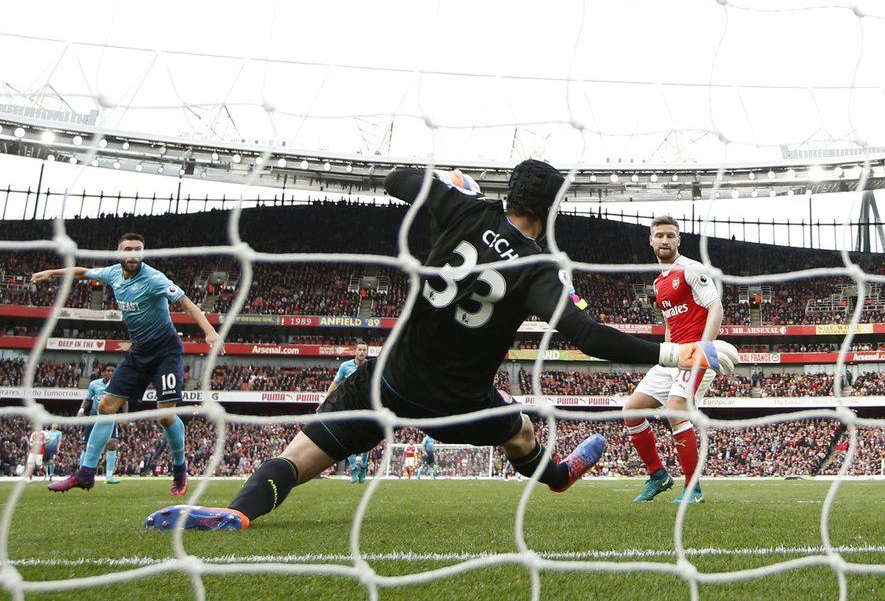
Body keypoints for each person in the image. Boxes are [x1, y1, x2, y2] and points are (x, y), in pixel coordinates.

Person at [144, 160, 737, 531]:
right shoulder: (539, 268)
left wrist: (446, 182)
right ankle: (557, 476)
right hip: (460, 404)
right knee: (522, 432)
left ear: (507, 195)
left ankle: (239, 509)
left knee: (300, 459)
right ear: (550, 210)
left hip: (387, 381)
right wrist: (680, 353)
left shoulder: (461, 208)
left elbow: (395, 180)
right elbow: (588, 337)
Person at [32, 232, 224, 495]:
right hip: (140, 352)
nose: (132, 254)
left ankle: (180, 468)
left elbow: (186, 303)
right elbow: (83, 272)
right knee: (106, 405)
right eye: (127, 249)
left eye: (137, 249)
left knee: (165, 416)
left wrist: (210, 332)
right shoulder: (112, 273)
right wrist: (51, 273)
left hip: (166, 352)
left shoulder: (154, 278)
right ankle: (86, 473)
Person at [623, 215, 724, 504]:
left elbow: (715, 308)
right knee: (631, 410)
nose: (664, 240)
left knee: (675, 408)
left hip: (696, 353)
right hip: (673, 355)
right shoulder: (658, 283)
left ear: (679, 240)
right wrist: (667, 348)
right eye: (659, 235)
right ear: (651, 240)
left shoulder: (692, 270)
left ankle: (694, 488)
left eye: (670, 235)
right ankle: (658, 476)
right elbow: (671, 320)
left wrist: (704, 347)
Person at [322, 342, 371, 482]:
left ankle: (363, 468)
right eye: (359, 350)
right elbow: (336, 382)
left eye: (364, 350)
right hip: (349, 406)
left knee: (367, 439)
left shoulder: (370, 367)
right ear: (355, 351)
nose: (362, 352)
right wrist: (326, 399)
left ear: (366, 352)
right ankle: (354, 469)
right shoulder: (345, 366)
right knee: (347, 437)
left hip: (366, 406)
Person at [79, 363, 127, 484]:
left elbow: (124, 401)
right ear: (103, 372)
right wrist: (81, 411)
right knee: (86, 446)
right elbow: (88, 399)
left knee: (112, 444)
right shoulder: (94, 384)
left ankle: (109, 477)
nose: (111, 373)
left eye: (113, 371)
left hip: (110, 418)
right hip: (94, 417)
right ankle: (81, 475)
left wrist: (125, 416)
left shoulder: (119, 384)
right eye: (108, 371)